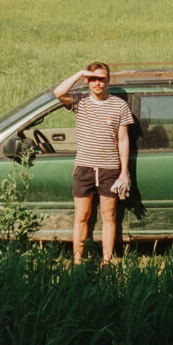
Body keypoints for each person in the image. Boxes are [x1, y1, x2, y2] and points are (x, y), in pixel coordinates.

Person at [52, 62, 133, 264]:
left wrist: (124, 172)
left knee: (109, 215)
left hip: (109, 168)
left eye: (102, 78)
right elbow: (58, 93)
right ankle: (77, 261)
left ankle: (106, 261)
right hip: (84, 168)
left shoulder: (119, 105)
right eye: (93, 78)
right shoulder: (80, 102)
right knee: (81, 215)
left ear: (108, 80)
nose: (98, 83)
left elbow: (123, 140)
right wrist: (80, 73)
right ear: (88, 80)